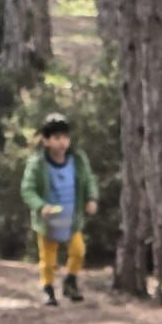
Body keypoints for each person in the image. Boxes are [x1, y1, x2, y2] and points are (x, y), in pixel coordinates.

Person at [21, 114, 98, 308]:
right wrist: (40, 206)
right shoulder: (37, 163)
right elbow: (27, 189)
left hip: (72, 216)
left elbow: (89, 179)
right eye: (56, 138)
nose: (62, 142)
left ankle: (70, 282)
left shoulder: (77, 159)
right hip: (49, 218)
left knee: (78, 251)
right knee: (48, 259)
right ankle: (48, 289)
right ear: (46, 141)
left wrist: (91, 198)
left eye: (65, 137)